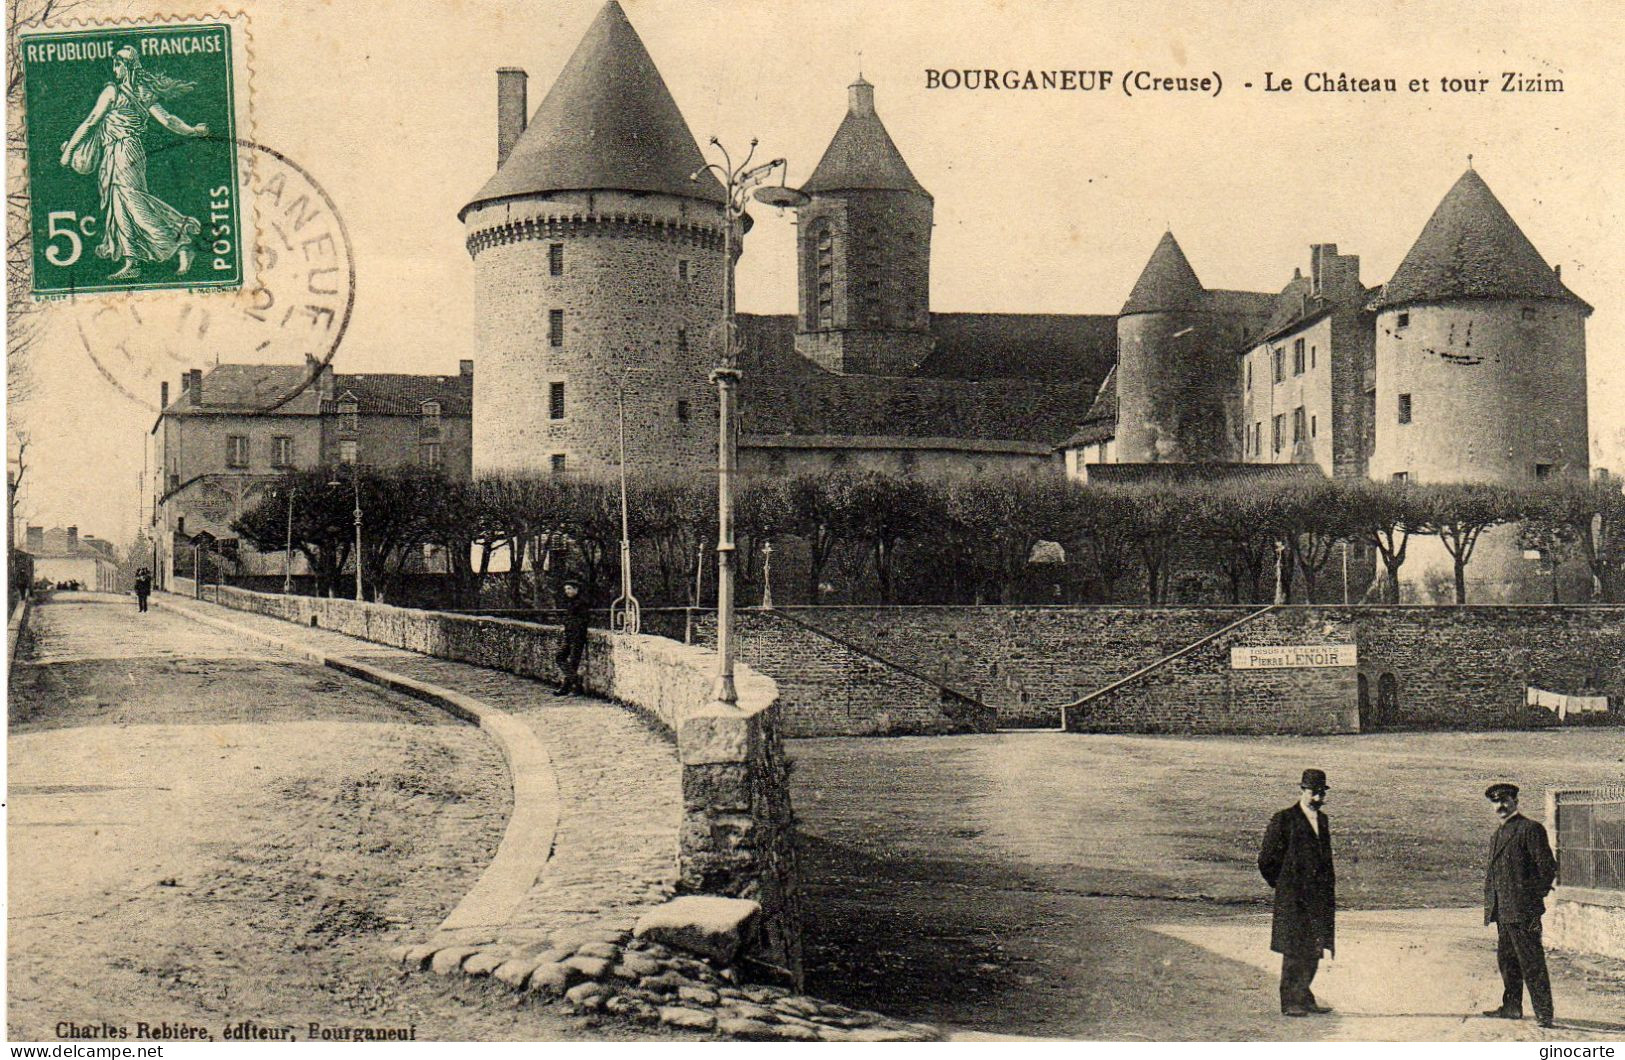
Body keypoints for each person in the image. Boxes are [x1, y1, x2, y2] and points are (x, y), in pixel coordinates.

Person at [58, 45, 210, 280]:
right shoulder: (141, 92)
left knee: (134, 203)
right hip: (116, 153)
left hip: (125, 152)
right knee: (119, 208)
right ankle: (133, 262)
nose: (114, 69)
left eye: (118, 64)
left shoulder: (116, 92)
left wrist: (68, 152)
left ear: (127, 66)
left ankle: (181, 243)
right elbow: (168, 120)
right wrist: (192, 130)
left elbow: (90, 122)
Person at [1258, 768, 1337, 1017]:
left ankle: (1304, 995)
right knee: (1294, 950)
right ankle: (1290, 1001)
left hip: (1318, 898)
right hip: (1293, 898)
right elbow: (1266, 860)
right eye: (1314, 793)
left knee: (1315, 948)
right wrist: (1284, 886)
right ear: (1302, 790)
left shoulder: (1322, 821)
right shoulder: (1284, 819)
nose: (1318, 799)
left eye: (1322, 794)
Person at [1481, 782, 1557, 1029]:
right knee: (1508, 961)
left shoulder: (1530, 829)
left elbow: (1547, 868)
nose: (1501, 806)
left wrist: (1531, 900)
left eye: (1505, 800)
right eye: (1496, 802)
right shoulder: (1497, 834)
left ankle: (1544, 1014)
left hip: (1524, 911)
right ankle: (1512, 1007)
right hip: (1503, 911)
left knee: (1531, 961)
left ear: (1515, 802)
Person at [553, 578, 591, 696]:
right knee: (559, 657)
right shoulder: (570, 602)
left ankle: (566, 688)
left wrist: (570, 627)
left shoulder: (582, 603)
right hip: (569, 635)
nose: (567, 591)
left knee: (573, 662)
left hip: (578, 636)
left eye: (569, 588)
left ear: (576, 589)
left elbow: (582, 621)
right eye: (566, 589)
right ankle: (576, 681)